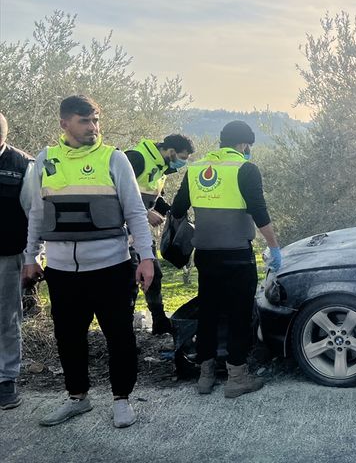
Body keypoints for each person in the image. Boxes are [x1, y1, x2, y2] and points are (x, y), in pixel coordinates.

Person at [21, 95, 155, 428]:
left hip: (111, 268)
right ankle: (77, 398)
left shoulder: (115, 159)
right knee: (68, 337)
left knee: (119, 336)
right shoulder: (45, 160)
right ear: (64, 124)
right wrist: (31, 256)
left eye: (96, 120)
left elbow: (136, 213)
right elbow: (37, 214)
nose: (93, 127)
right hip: (63, 271)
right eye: (85, 121)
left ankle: (122, 400)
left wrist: (147, 257)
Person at [171, 120, 281, 398]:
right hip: (237, 256)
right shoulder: (246, 169)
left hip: (206, 256)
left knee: (208, 312)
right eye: (249, 147)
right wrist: (275, 247)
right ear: (244, 144)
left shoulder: (196, 169)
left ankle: (205, 376)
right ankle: (237, 378)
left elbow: (178, 208)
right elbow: (259, 212)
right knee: (238, 315)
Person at [125, 134, 195, 334]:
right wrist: (146, 213)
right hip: (122, 233)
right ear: (171, 151)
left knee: (153, 274)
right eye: (182, 156)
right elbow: (116, 193)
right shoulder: (136, 158)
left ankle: (159, 321)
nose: (182, 162)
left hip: (140, 232)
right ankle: (125, 330)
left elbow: (157, 200)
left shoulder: (161, 169)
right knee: (129, 281)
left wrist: (175, 214)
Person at [0, 113, 37, 410]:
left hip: (7, 254)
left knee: (6, 318)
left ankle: (6, 378)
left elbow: (34, 213)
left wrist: (33, 257)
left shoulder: (23, 165)